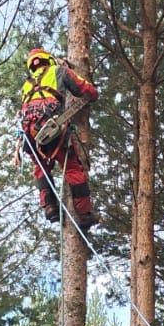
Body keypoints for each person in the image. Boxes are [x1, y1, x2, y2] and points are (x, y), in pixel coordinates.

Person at [18, 47, 99, 230]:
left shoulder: (26, 85)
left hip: (30, 135)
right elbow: (82, 88)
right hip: (53, 129)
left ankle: (50, 208)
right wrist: (94, 93)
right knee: (72, 168)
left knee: (41, 168)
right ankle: (84, 214)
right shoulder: (58, 71)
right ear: (48, 59)